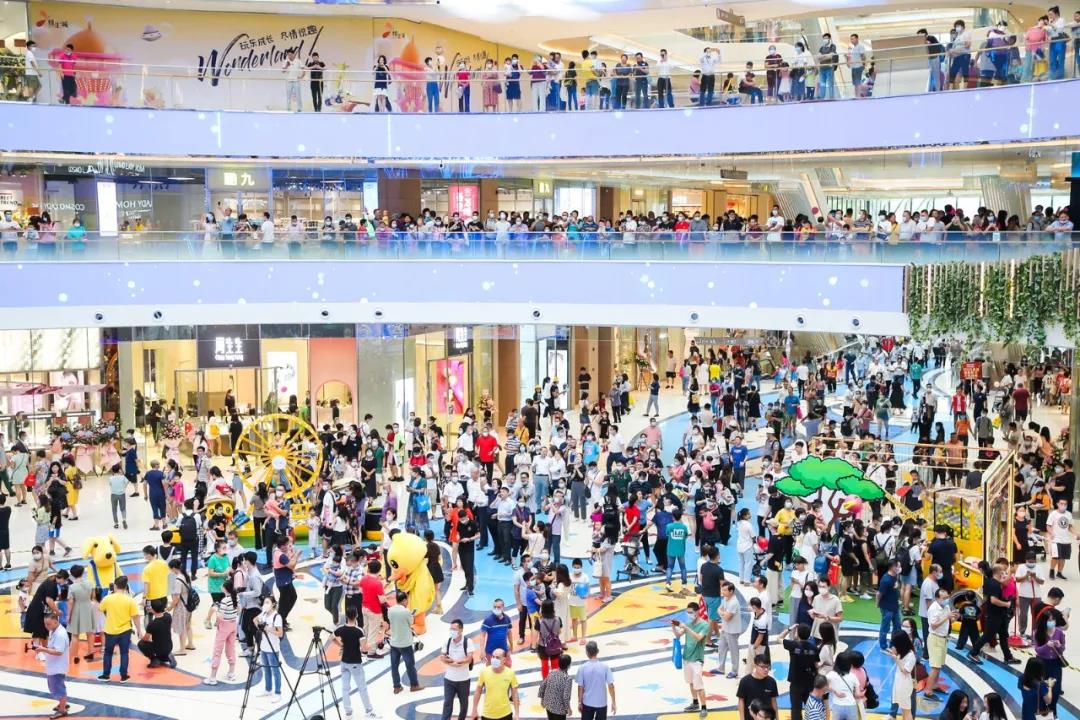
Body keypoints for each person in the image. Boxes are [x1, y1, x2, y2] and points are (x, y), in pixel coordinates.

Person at [333, 606, 379, 720]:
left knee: (345, 689)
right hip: (355, 663)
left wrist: (341, 645)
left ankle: (348, 713)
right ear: (357, 615)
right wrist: (374, 643)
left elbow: (332, 638)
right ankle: (368, 711)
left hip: (344, 662)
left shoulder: (341, 629)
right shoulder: (359, 631)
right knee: (362, 688)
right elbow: (364, 649)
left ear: (346, 616)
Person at [98, 576, 142, 682]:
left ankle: (106, 675)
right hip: (125, 631)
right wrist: (139, 630)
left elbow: (100, 609)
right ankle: (123, 676)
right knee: (124, 653)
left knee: (108, 653)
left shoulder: (108, 598)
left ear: (115, 586)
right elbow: (135, 617)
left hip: (110, 630)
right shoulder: (130, 600)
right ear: (126, 586)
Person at [672, 601, 710, 718]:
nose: (689, 615)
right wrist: (674, 627)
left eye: (691, 612)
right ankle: (695, 703)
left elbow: (698, 638)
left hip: (697, 659)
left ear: (697, 611)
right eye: (687, 612)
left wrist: (686, 628)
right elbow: (678, 635)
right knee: (691, 682)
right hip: (687, 657)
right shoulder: (688, 623)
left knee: (698, 685)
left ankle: (704, 707)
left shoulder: (704, 625)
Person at [33, 612, 70, 719]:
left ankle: (62, 710)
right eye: (45, 624)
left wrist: (43, 649)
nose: (46, 626)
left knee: (58, 687)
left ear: (55, 621)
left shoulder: (60, 635)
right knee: (56, 686)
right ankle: (63, 704)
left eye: (48, 624)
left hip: (57, 666)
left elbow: (59, 651)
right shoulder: (53, 630)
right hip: (54, 665)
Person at [778, 623, 818, 720]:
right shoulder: (814, 647)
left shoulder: (793, 645)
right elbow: (816, 665)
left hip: (796, 683)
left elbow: (779, 638)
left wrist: (789, 628)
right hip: (809, 682)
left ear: (798, 634)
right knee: (811, 708)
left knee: (796, 709)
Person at [204, 575, 238, 684]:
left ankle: (213, 677)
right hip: (233, 625)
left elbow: (221, 617)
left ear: (225, 588)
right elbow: (238, 610)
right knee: (230, 649)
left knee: (217, 651)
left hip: (224, 626)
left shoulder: (225, 600)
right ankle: (231, 673)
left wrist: (215, 609)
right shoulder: (235, 598)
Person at [470, 646, 519, 720]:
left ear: (504, 660)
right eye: (493, 656)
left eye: (497, 657)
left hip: (506, 714)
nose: (494, 659)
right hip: (487, 715)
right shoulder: (484, 672)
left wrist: (517, 713)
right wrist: (474, 709)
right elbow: (478, 691)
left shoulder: (510, 673)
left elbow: (515, 693)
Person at [923, 585, 954, 700]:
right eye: (944, 598)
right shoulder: (933, 609)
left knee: (939, 666)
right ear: (937, 598)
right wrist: (946, 617)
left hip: (943, 639)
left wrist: (954, 617)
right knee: (935, 667)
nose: (946, 599)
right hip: (935, 639)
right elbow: (934, 626)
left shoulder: (946, 606)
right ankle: (928, 691)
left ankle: (934, 686)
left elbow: (950, 620)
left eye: (947, 597)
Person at [388, 590, 421, 693]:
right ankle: (414, 685)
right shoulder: (406, 611)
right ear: (404, 600)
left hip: (394, 642)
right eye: (407, 600)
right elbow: (410, 622)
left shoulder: (390, 610)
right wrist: (412, 615)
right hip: (405, 643)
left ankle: (396, 686)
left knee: (394, 666)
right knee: (410, 665)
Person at [441, 618, 472, 720]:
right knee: (447, 703)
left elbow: (469, 658)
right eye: (451, 629)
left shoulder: (468, 642)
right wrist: (450, 662)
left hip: (463, 680)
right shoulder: (447, 641)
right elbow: (442, 657)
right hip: (449, 679)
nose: (452, 631)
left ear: (461, 630)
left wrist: (457, 662)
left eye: (454, 629)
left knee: (464, 704)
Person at [576, 641, 615, 720]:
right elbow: (611, 685)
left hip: (587, 702)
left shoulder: (582, 668)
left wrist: (579, 702)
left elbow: (580, 687)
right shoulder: (605, 667)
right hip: (601, 702)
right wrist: (613, 701)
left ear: (587, 653)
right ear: (597, 651)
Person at [255, 595, 284, 702]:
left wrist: (268, 629)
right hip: (263, 646)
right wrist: (260, 625)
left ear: (273, 604)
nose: (265, 604)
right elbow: (254, 620)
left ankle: (278, 692)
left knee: (275, 670)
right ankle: (268, 689)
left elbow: (280, 633)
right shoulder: (263, 614)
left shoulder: (277, 617)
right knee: (266, 669)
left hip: (273, 648)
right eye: (264, 602)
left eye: (267, 602)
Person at [736, 655, 780, 720]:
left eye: (767, 666)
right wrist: (742, 718)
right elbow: (741, 700)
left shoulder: (772, 682)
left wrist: (777, 718)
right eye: (762, 667)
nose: (766, 669)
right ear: (755, 666)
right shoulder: (745, 681)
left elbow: (773, 701)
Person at [887, 630, 917, 720]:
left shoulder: (911, 655)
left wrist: (896, 659)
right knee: (904, 710)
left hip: (904, 684)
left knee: (907, 710)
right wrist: (894, 654)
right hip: (899, 682)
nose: (894, 646)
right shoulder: (903, 652)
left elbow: (905, 670)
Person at [138, 601, 176, 668]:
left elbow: (146, 638)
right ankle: (167, 656)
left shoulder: (152, 624)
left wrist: (141, 637)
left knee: (141, 644)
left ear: (153, 610)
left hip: (158, 648)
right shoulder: (168, 616)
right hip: (169, 646)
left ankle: (154, 659)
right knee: (162, 652)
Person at [539, 653, 573, 720]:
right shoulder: (567, 679)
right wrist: (568, 708)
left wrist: (542, 700)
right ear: (568, 665)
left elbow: (542, 686)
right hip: (559, 710)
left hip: (548, 705)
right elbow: (566, 696)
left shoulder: (552, 672)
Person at [876, 560, 902, 649]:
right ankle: (883, 646)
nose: (899, 568)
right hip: (887, 607)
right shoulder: (886, 580)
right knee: (885, 627)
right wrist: (877, 604)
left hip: (895, 606)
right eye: (897, 566)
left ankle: (894, 644)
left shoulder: (895, 576)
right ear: (892, 567)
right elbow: (879, 594)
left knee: (898, 626)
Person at [480, 598, 514, 664]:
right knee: (490, 669)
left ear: (503, 607)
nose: (496, 609)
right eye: (494, 607)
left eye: (498, 607)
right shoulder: (488, 620)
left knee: (508, 666)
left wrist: (511, 646)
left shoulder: (507, 619)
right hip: (491, 652)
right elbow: (482, 636)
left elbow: (509, 633)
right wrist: (482, 651)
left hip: (504, 651)